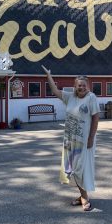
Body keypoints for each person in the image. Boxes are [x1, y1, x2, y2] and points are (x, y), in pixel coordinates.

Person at [42, 65, 99, 212]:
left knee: (81, 169)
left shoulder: (91, 97)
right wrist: (49, 75)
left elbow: (95, 118)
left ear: (88, 86)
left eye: (84, 85)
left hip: (84, 140)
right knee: (72, 169)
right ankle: (81, 196)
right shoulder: (69, 97)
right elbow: (54, 90)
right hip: (69, 140)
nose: (81, 87)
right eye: (79, 85)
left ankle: (85, 197)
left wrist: (91, 138)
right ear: (75, 86)